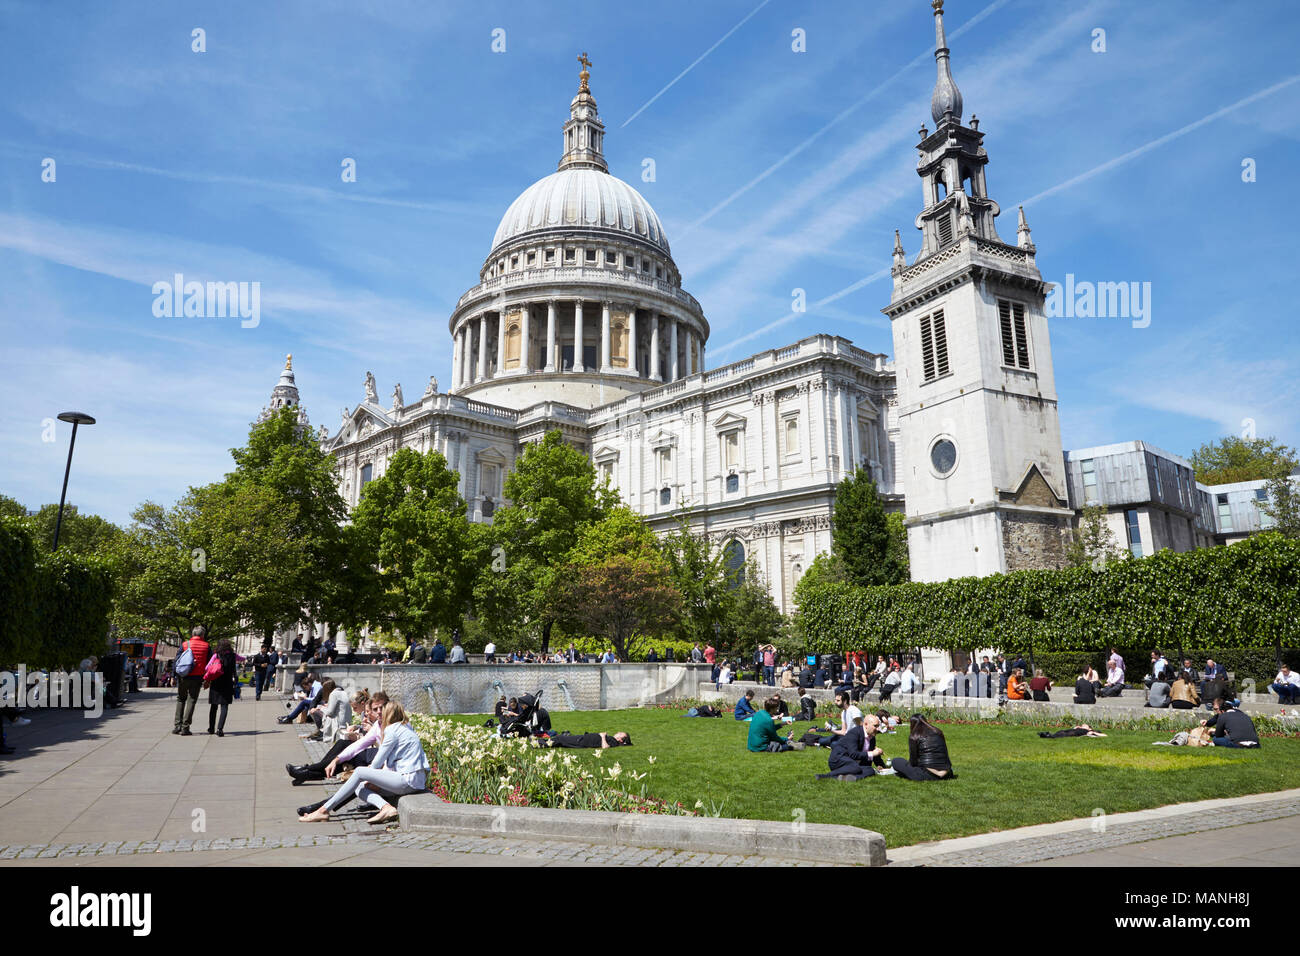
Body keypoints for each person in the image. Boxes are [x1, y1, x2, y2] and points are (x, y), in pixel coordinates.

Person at [300, 702, 430, 824]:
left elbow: (377, 762)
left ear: (388, 714)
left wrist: (371, 778)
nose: (380, 715)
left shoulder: (392, 730)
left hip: (407, 780)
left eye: (382, 712)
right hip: (414, 782)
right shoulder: (404, 728)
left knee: (360, 772)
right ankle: (386, 807)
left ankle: (323, 810)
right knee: (360, 787)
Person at [287, 690, 383, 786]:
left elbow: (378, 744)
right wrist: (357, 728)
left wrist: (363, 732)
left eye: (368, 712)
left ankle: (306, 771)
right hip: (367, 751)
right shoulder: (376, 723)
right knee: (341, 745)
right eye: (373, 710)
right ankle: (307, 772)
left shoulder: (382, 724)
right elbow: (365, 738)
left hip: (372, 756)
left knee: (344, 755)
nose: (366, 716)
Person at [889, 714, 956, 780]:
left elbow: (913, 760)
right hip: (946, 772)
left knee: (896, 761)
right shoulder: (938, 732)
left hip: (926, 773)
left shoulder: (915, 736)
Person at [816, 714, 882, 780]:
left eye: (878, 726)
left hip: (853, 763)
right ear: (866, 724)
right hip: (839, 759)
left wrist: (881, 766)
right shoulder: (855, 733)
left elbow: (873, 754)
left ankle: (850, 778)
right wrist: (873, 753)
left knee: (870, 770)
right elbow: (853, 754)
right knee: (855, 767)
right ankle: (826, 776)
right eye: (875, 726)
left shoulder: (872, 737)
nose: (878, 729)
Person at [173, 625, 211, 736]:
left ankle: (177, 725)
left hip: (183, 676)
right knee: (192, 700)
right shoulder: (206, 646)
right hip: (197, 677)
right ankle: (185, 727)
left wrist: (173, 676)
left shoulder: (185, 644)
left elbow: (177, 661)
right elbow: (210, 663)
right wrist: (207, 679)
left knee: (180, 699)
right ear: (202, 635)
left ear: (193, 634)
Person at [205, 639, 237, 736]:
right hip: (227, 683)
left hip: (216, 682)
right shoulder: (233, 656)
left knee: (214, 706)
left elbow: (207, 667)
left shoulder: (216, 655)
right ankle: (220, 729)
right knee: (224, 706)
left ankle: (211, 728)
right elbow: (242, 659)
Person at [308, 679, 351, 743]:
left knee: (316, 712)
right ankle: (322, 731)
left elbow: (330, 712)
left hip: (339, 722)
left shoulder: (333, 694)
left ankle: (322, 732)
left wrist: (320, 707)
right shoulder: (343, 692)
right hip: (347, 720)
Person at [549, 731, 632, 748]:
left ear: (620, 740)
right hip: (582, 738)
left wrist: (603, 736)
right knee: (561, 739)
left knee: (560, 739)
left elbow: (605, 747)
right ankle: (540, 743)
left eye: (620, 734)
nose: (618, 732)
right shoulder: (612, 739)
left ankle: (538, 744)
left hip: (582, 741)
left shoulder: (614, 742)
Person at [1038, 724, 1107, 738]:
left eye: (1084, 725)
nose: (1082, 725)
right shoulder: (1080, 728)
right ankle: (1048, 734)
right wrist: (1076, 727)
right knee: (1061, 732)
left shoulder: (1089, 731)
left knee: (1064, 734)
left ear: (1089, 728)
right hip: (1070, 731)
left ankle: (1048, 735)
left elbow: (1105, 735)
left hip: (1073, 733)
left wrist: (1094, 732)